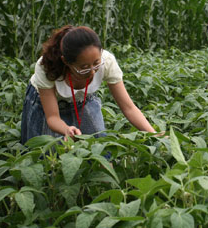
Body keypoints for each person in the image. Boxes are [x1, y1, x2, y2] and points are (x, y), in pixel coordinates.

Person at [21, 25, 157, 144]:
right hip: (44, 104)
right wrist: (66, 129)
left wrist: (155, 135)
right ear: (67, 62)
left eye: (96, 63)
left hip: (83, 99)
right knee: (45, 155)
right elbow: (52, 117)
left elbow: (129, 108)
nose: (92, 72)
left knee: (99, 147)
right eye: (84, 67)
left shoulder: (107, 62)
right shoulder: (47, 67)